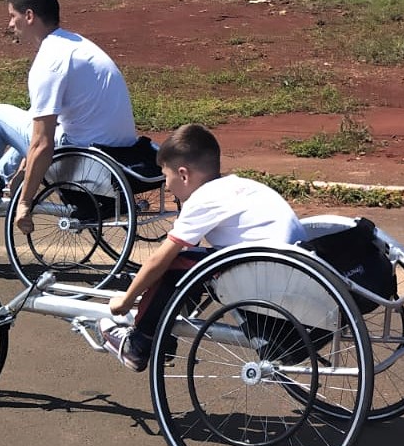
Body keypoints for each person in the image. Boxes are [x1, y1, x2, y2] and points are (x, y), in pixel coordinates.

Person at [98, 123, 307, 371]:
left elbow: (160, 259)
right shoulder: (239, 186)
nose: (166, 186)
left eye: (166, 176)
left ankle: (139, 343)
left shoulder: (204, 199)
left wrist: (126, 299)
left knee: (173, 265)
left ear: (184, 174)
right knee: (193, 261)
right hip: (292, 273)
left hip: (262, 278)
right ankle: (164, 335)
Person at [0, 0, 138, 229]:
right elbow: (42, 125)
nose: (9, 24)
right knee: (33, 119)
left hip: (86, 158)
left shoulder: (50, 59)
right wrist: (24, 163)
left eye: (12, 16)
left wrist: (25, 202)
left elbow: (41, 142)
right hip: (119, 155)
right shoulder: (78, 45)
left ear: (29, 16)